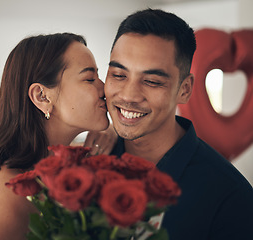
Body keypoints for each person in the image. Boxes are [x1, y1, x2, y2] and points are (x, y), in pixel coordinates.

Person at [105, 8, 253, 240]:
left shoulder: (230, 196)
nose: (129, 95)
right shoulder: (84, 167)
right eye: (118, 75)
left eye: (152, 81)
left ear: (184, 90)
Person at [0, 33, 116, 239]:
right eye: (89, 79)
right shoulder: (8, 194)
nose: (104, 87)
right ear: (42, 96)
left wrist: (114, 129)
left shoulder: (59, 169)